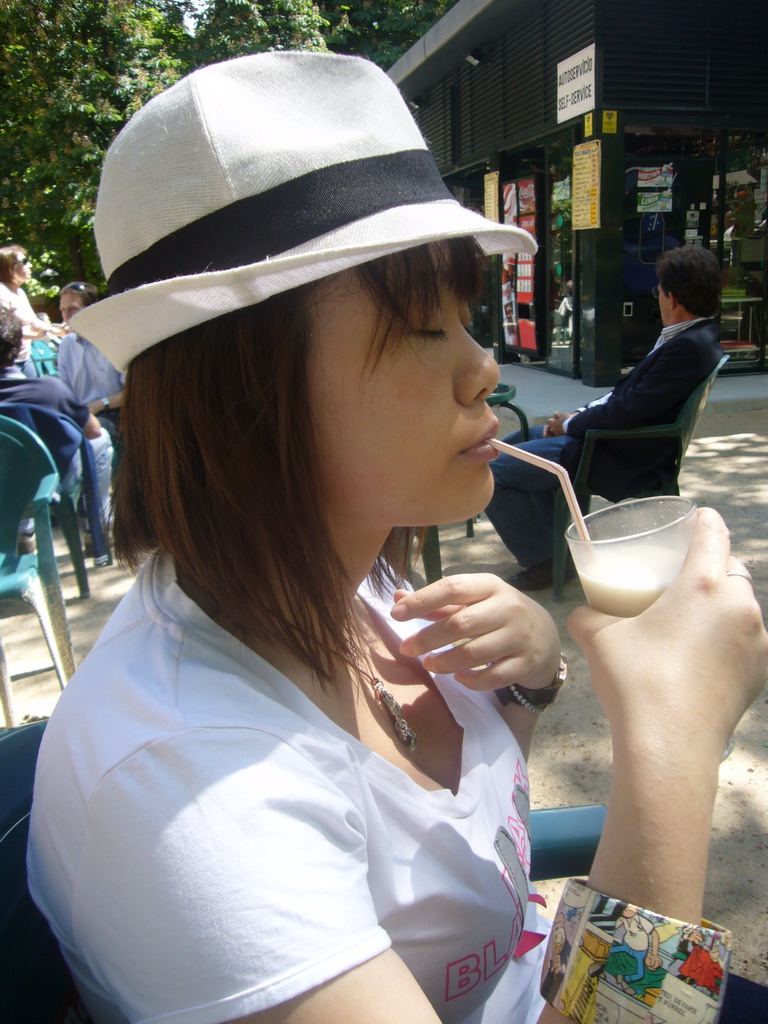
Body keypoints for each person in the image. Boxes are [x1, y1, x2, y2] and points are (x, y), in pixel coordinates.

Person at [27, 53, 767, 1024]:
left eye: (468, 317)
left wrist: (530, 679)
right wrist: (671, 748)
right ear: (250, 389)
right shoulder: (188, 791)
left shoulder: (352, 578)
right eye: (423, 327)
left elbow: (458, 843)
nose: (482, 368)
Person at [485, 246, 724, 591]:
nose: (657, 298)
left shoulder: (688, 346)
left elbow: (625, 412)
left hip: (616, 451)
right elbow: (624, 400)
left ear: (672, 298)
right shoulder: (694, 336)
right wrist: (576, 416)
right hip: (610, 438)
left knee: (497, 471)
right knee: (513, 443)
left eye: (658, 291)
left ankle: (546, 562)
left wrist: (569, 425)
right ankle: (557, 551)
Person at [0, 307, 113, 546]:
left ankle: (23, 530)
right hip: (45, 487)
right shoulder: (50, 390)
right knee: (101, 439)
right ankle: (97, 525)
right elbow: (92, 431)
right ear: (19, 345)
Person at [57, 281, 125, 448]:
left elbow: (131, 392)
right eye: (63, 310)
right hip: (81, 414)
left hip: (114, 412)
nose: (66, 315)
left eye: (73, 309)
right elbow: (64, 390)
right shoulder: (66, 345)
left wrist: (100, 404)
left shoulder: (113, 340)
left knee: (90, 435)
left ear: (91, 308)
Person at [0, 244, 67, 375]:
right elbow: (4, 331)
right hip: (6, 365)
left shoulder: (19, 292)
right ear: (8, 266)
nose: (30, 265)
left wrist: (60, 330)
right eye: (24, 262)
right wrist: (38, 334)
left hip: (25, 359)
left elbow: (36, 323)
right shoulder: (2, 292)